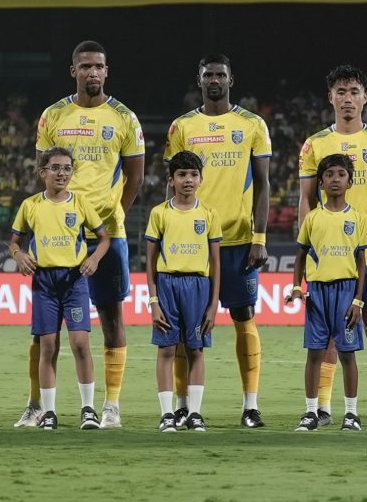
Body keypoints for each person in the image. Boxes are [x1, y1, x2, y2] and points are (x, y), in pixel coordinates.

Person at [36, 41, 145, 428]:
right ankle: (39, 405)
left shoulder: (124, 117)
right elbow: (42, 169)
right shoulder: (53, 115)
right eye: (85, 66)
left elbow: (135, 176)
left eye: (98, 66)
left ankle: (111, 404)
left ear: (106, 71)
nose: (92, 72)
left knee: (112, 317)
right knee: (46, 327)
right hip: (59, 235)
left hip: (106, 235)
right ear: (74, 71)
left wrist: (113, 216)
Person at [163, 55, 272, 428]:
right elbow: (172, 184)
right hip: (193, 243)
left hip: (238, 241)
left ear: (230, 79)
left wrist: (259, 237)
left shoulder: (252, 124)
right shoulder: (182, 126)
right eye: (208, 74)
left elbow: (263, 184)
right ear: (199, 80)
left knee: (243, 317)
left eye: (220, 74)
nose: (214, 79)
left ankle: (250, 406)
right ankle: (183, 405)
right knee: (185, 326)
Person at [298, 65, 367, 428]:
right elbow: (305, 200)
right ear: (330, 98)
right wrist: (309, 252)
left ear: (365, 98)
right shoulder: (315, 144)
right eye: (340, 92)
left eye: (354, 91)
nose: (347, 99)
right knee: (327, 335)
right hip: (328, 261)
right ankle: (324, 408)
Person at [8, 147, 110, 431]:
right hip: (44, 281)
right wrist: (18, 255)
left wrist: (94, 259)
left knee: (80, 343)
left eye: (67, 168)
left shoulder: (81, 203)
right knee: (48, 346)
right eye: (55, 168)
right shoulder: (30, 205)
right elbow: (14, 241)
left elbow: (104, 238)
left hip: (74, 280)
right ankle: (49, 412)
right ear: (43, 173)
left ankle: (88, 409)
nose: (61, 173)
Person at [286, 154, 367, 432]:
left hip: (347, 293)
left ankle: (352, 414)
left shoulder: (357, 218)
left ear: (350, 181)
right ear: (320, 182)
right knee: (314, 353)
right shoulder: (313, 218)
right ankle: (311, 412)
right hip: (318, 293)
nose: (335, 179)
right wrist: (297, 287)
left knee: (347, 354)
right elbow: (300, 256)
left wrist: (358, 300)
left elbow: (361, 262)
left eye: (341, 174)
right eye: (329, 174)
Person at [146, 152, 222, 433]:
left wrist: (213, 304)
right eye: (181, 175)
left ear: (201, 179)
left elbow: (216, 263)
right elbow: (150, 262)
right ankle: (167, 414)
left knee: (196, 349)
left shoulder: (209, 214)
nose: (187, 180)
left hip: (199, 287)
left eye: (193, 174)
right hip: (167, 284)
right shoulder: (159, 213)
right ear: (171, 180)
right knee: (166, 349)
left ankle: (195, 413)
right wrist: (154, 301)